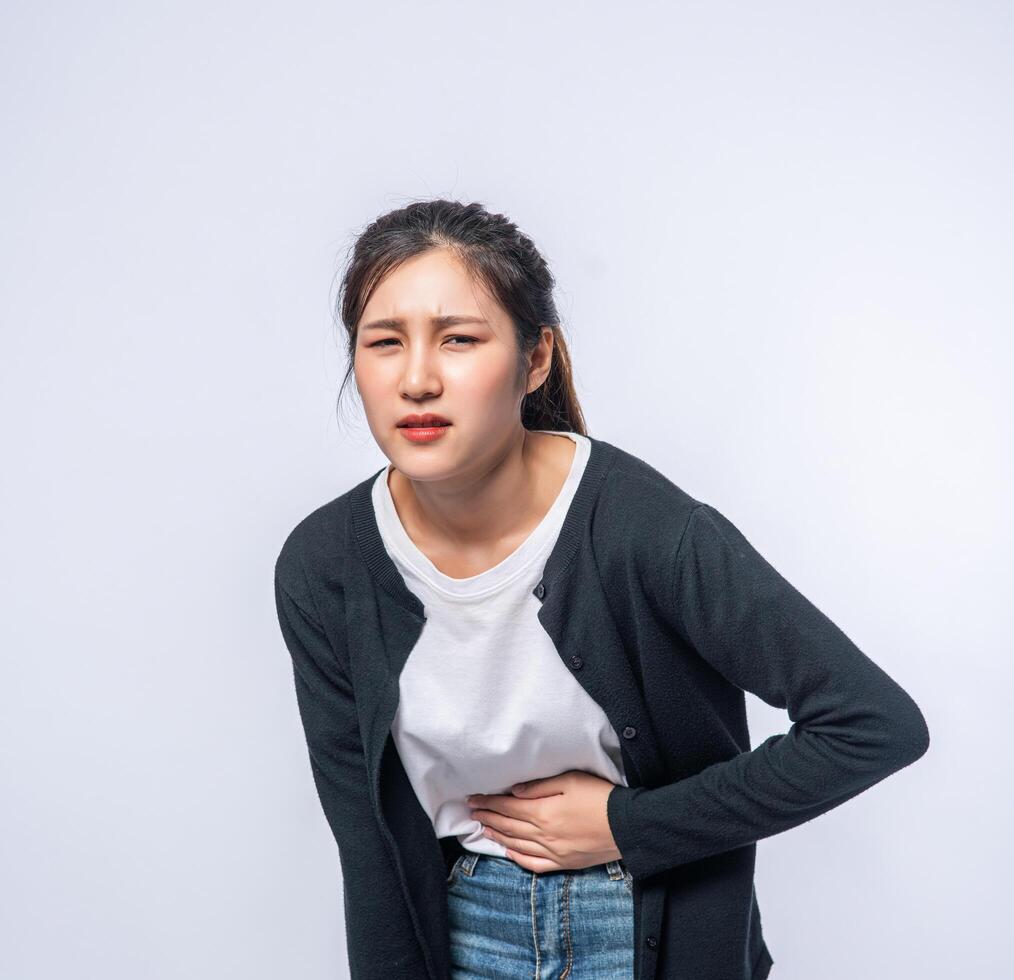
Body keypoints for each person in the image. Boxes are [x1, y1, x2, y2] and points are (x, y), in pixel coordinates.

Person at [273, 199, 930, 980]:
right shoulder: (324, 566)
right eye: (385, 343)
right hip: (459, 927)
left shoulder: (644, 530)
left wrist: (631, 825)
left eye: (459, 339)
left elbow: (874, 724)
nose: (417, 379)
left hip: (646, 921)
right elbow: (370, 846)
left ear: (536, 358)